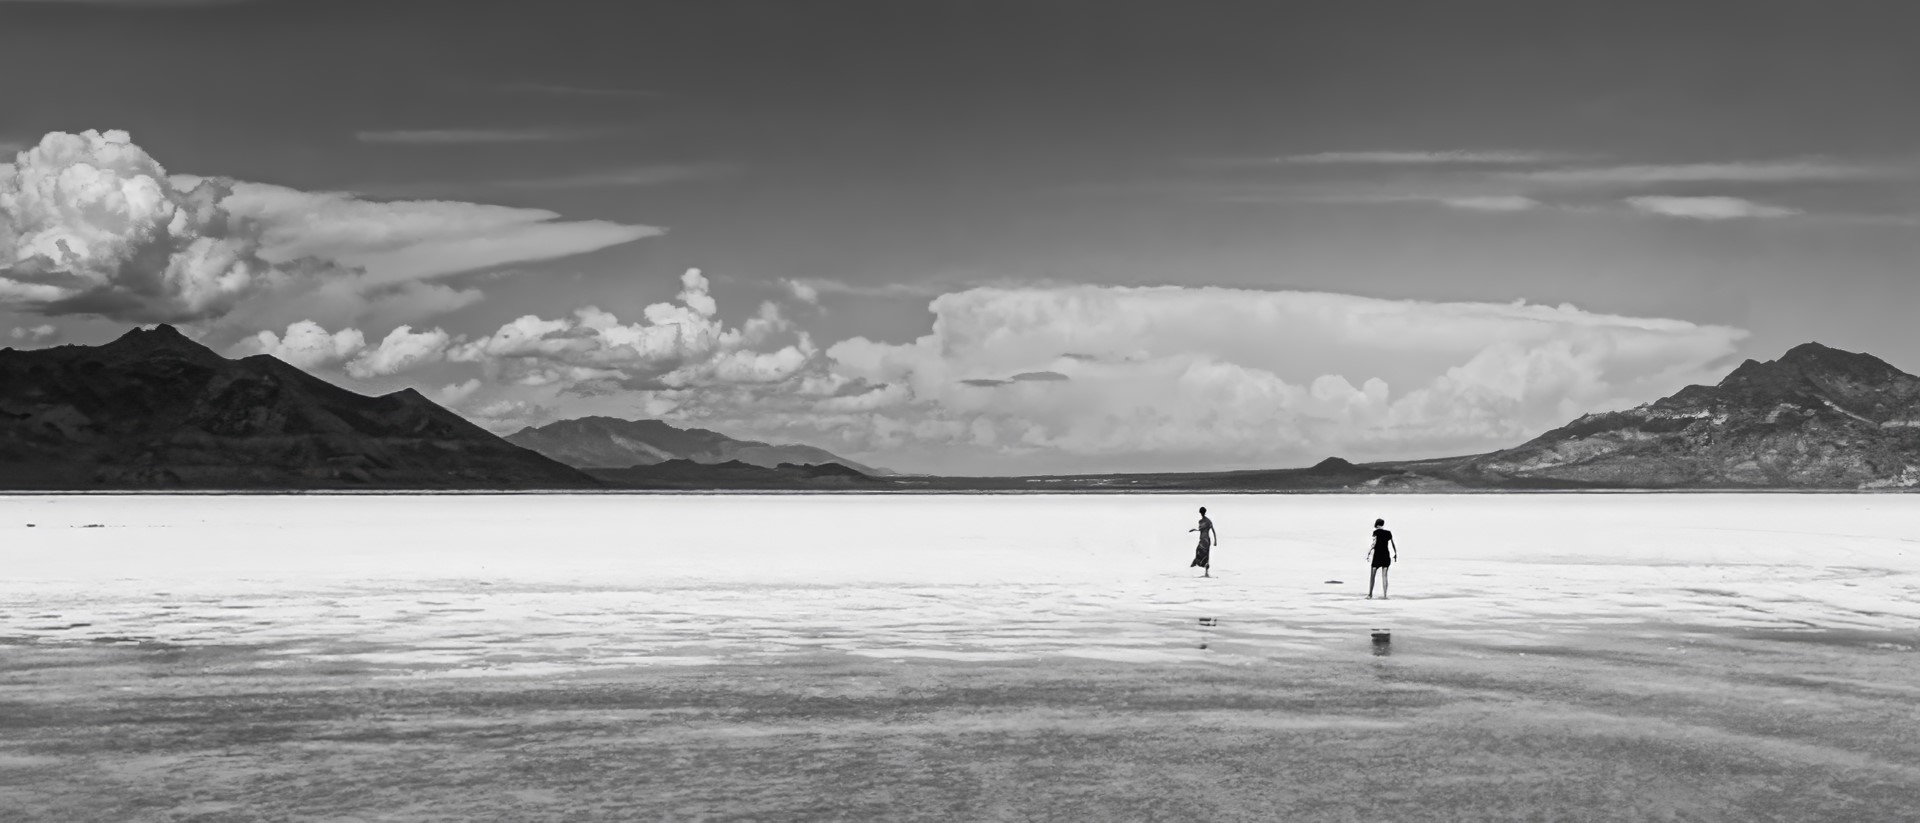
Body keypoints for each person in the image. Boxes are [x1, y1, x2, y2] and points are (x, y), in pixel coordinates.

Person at [1367, 518, 1398, 599]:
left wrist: (1368, 553)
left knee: (1372, 576)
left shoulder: (1375, 532)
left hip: (1377, 556)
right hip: (1385, 556)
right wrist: (1395, 554)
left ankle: (1370, 594)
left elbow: (1373, 544)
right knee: (1385, 576)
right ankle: (1385, 595)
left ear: (1376, 524)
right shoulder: (1388, 533)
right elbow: (1392, 544)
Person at [1189, 507, 1218, 577]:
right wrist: (1194, 530)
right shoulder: (1201, 521)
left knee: (1200, 552)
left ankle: (1198, 564)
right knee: (1203, 554)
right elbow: (1202, 530)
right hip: (1203, 539)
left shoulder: (1207, 521)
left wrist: (1215, 540)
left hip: (1205, 540)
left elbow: (1212, 530)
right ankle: (1205, 570)